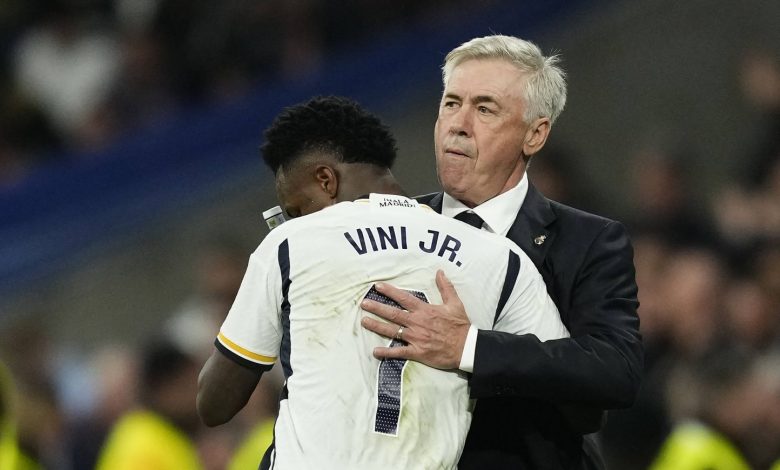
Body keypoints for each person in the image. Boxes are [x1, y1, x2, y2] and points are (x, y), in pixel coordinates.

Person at [196, 96, 569, 469]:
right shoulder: (497, 255)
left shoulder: (292, 243)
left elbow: (214, 404)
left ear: (326, 180)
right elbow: (573, 400)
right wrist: (474, 348)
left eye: (296, 209)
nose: (295, 220)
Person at [360, 34, 643, 468]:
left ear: (534, 135)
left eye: (485, 109)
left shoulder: (588, 241)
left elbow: (613, 371)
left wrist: (469, 347)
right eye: (451, 103)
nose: (458, 123)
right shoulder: (389, 226)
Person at [96, 340, 203, 470]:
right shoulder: (144, 445)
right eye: (190, 387)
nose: (198, 398)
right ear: (165, 389)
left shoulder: (162, 437)